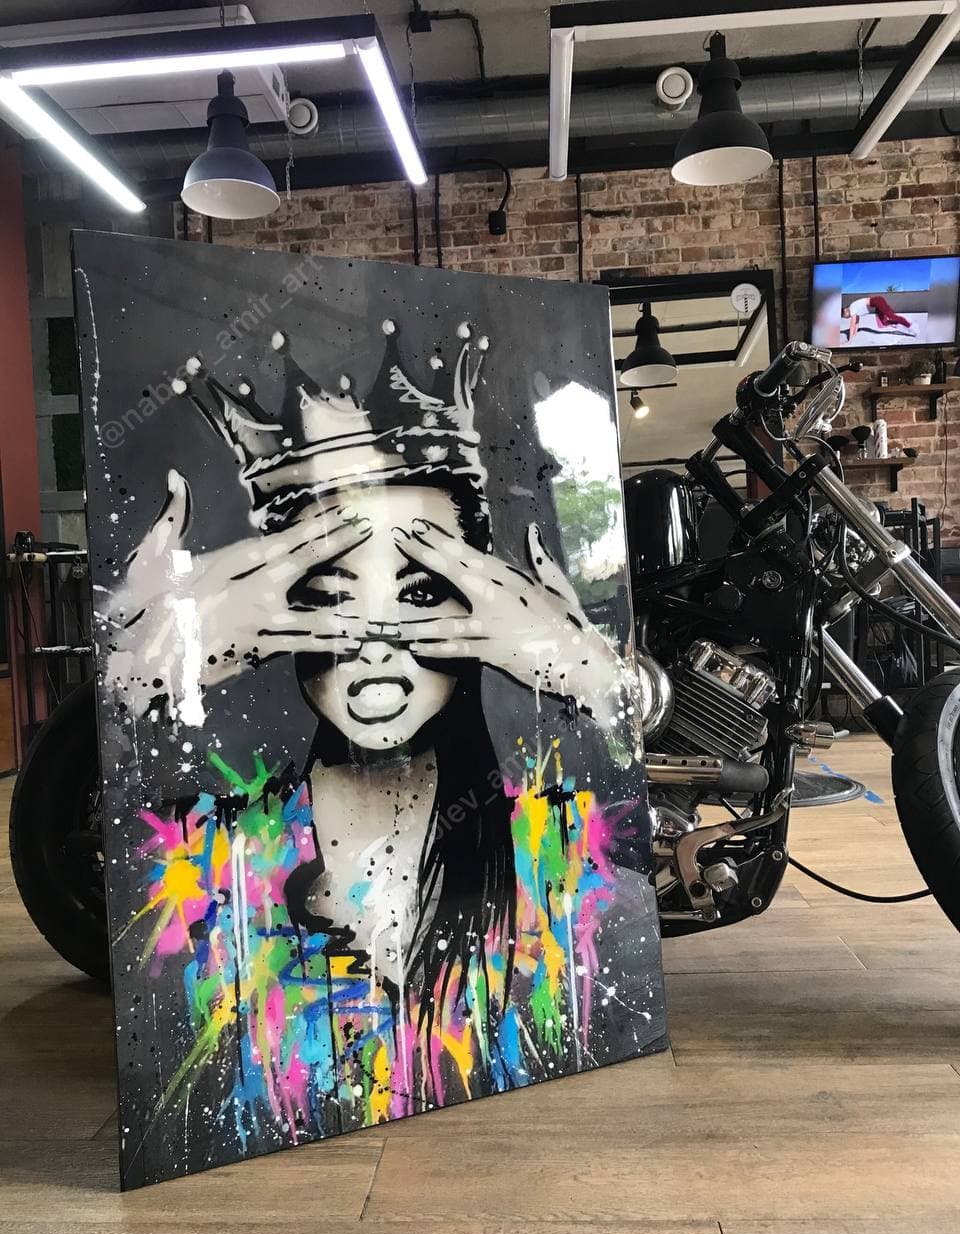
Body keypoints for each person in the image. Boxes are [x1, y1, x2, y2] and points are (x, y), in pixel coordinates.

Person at [103, 321, 659, 1154]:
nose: (376, 638)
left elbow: (621, 983)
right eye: (328, 594)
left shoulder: (563, 856)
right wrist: (136, 675)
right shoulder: (206, 866)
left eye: (422, 592)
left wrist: (592, 678)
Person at [841, 294, 917, 342]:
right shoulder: (853, 309)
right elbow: (856, 323)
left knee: (891, 316)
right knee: (883, 323)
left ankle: (910, 325)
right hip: (877, 303)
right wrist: (854, 334)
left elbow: (852, 325)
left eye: (845, 317)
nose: (847, 318)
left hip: (877, 301)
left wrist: (849, 340)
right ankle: (899, 323)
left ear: (845, 312)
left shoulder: (852, 309)